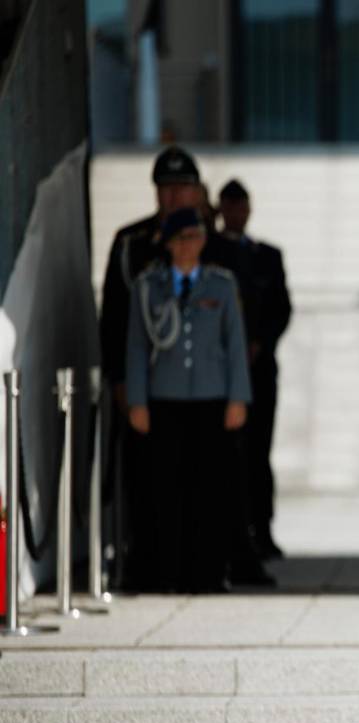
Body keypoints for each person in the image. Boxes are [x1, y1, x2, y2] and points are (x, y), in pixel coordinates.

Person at [124, 208, 253, 593]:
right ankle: (169, 572)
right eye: (180, 239)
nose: (188, 246)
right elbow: (136, 345)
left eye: (194, 237)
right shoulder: (149, 286)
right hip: (166, 398)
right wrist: (137, 400)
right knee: (166, 490)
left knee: (210, 490)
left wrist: (238, 397)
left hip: (211, 398)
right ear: (168, 244)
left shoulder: (221, 285)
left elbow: (235, 345)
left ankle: (208, 572)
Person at [99, 146, 206, 588]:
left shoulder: (209, 240)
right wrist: (121, 381)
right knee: (145, 481)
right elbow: (115, 318)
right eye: (167, 189)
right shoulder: (132, 243)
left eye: (183, 188)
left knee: (203, 482)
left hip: (201, 387)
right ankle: (146, 566)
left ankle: (203, 568)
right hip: (148, 385)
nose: (175, 197)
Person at [218, 179, 292, 561]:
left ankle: (261, 529)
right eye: (228, 206)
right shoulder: (210, 251)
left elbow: (282, 309)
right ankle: (227, 532)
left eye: (241, 205)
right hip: (220, 373)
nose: (236, 213)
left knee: (259, 453)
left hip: (259, 369)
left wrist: (260, 343)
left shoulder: (267, 256)